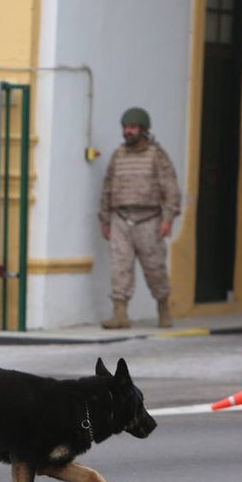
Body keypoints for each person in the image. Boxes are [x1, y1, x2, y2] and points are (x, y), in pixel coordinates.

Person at [98, 107, 182, 329]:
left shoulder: (156, 155)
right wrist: (105, 220)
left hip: (149, 219)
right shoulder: (118, 155)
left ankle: (163, 310)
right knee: (120, 268)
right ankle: (120, 314)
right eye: (126, 127)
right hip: (120, 218)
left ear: (144, 129)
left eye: (133, 127)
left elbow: (170, 188)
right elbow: (107, 188)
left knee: (154, 268)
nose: (128, 131)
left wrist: (167, 219)